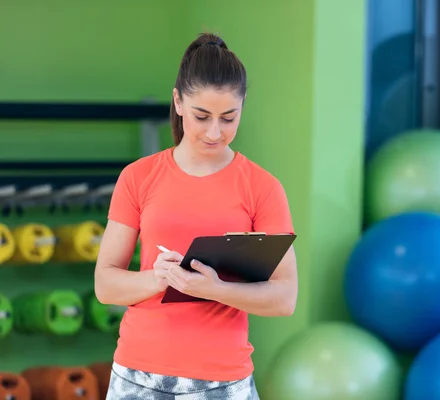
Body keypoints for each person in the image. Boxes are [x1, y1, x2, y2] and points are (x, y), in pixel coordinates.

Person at [94, 32, 298, 400]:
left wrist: (217, 290)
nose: (215, 132)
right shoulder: (138, 177)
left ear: (243, 106)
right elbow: (105, 285)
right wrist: (160, 279)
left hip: (224, 383)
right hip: (137, 379)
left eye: (229, 117)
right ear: (178, 102)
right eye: (202, 116)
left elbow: (284, 298)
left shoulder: (263, 187)